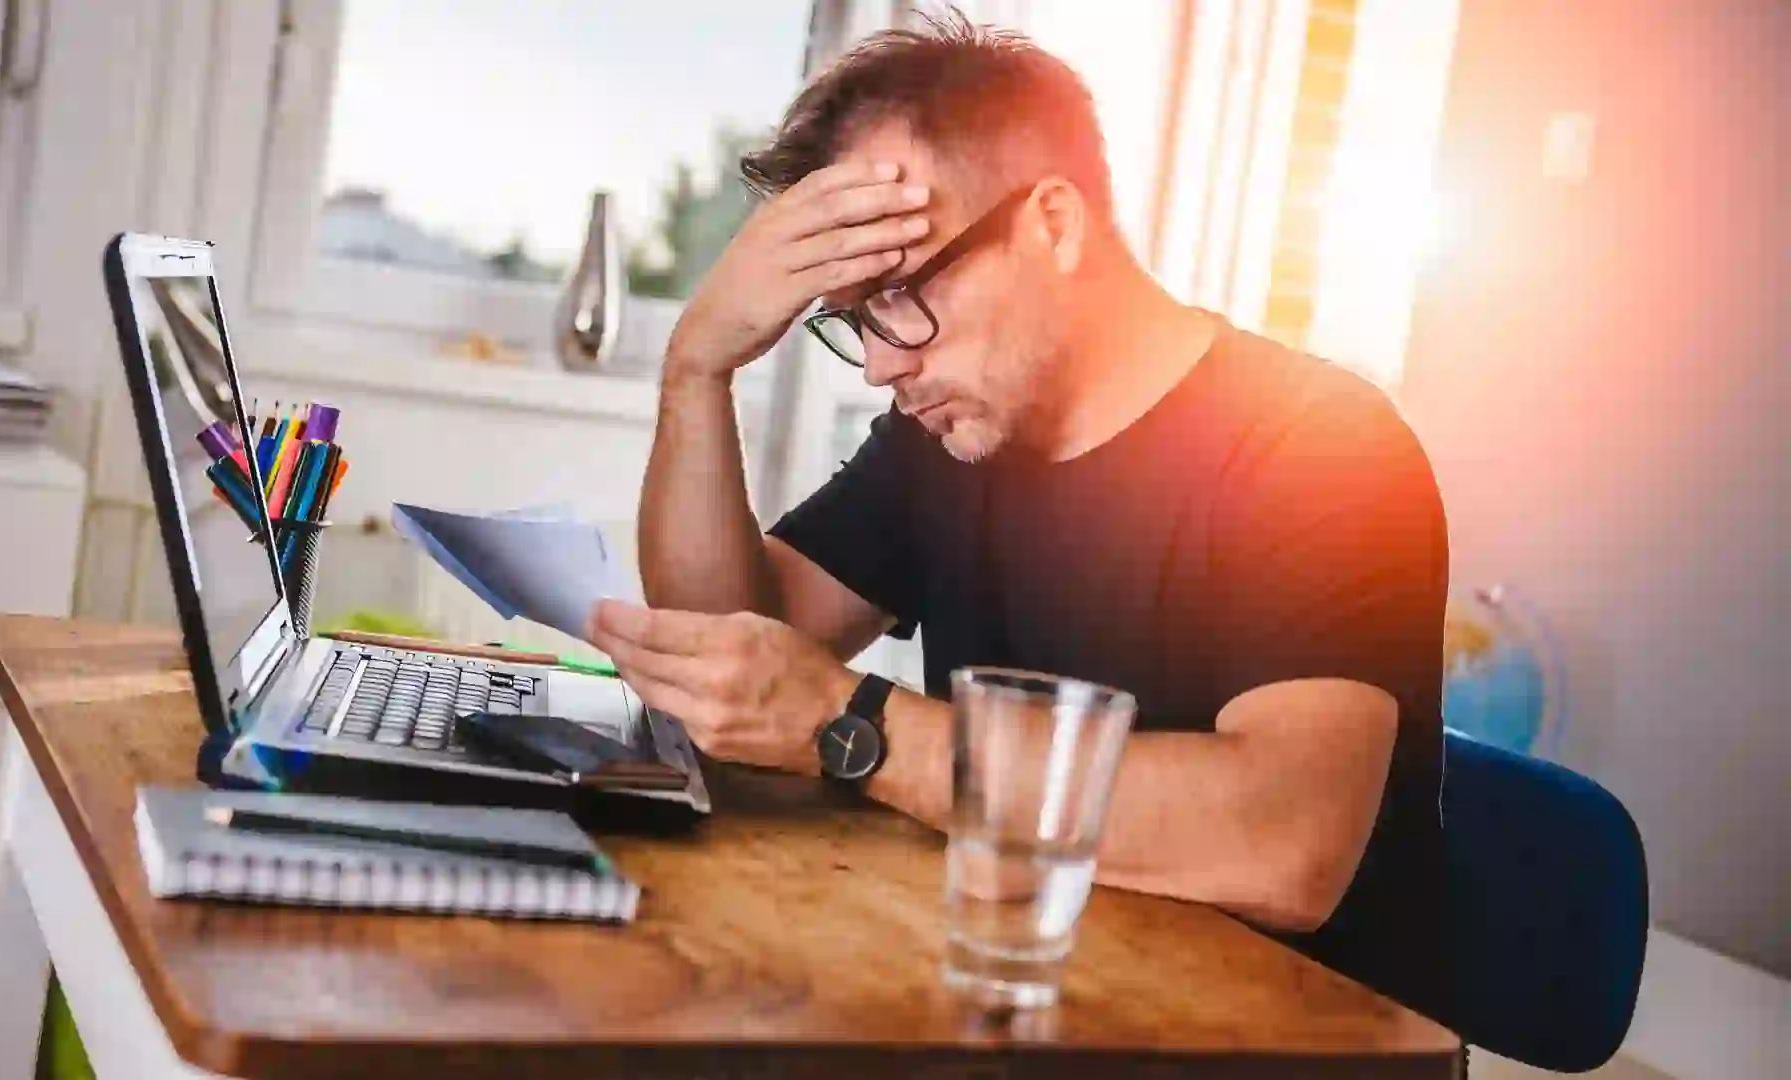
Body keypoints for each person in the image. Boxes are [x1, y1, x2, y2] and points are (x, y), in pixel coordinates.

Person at [585, 14, 1448, 1022]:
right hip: (1020, 1004)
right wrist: (697, 367)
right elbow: (733, 651)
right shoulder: (951, 439)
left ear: (1053, 224)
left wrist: (848, 723)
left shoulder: (1322, 445)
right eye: (854, 319)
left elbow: (1283, 844)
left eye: (901, 293)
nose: (878, 363)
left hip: (1269, 1037)